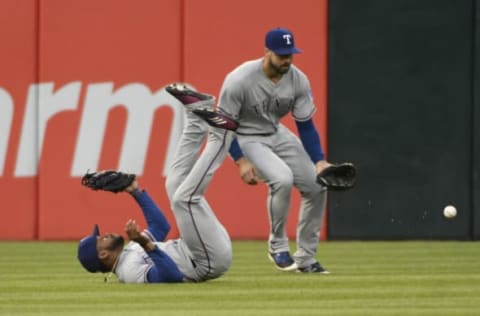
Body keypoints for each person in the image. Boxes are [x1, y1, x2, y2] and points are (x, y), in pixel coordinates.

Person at [77, 85, 234, 283]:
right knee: (183, 199)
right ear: (103, 255)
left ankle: (196, 118)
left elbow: (161, 225)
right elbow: (171, 277)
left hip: (198, 247)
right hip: (208, 260)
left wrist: (135, 191)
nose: (104, 235)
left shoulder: (130, 251)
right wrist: (143, 242)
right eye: (100, 240)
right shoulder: (129, 272)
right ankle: (221, 136)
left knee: (174, 184)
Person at [216, 27, 331, 273]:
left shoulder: (298, 79)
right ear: (267, 52)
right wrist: (239, 160)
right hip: (247, 136)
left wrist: (319, 161)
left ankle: (306, 258)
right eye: (281, 54)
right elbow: (222, 124)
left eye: (290, 54)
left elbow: (306, 126)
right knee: (282, 179)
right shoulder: (239, 79)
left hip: (277, 133)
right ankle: (277, 244)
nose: (287, 60)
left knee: (317, 184)